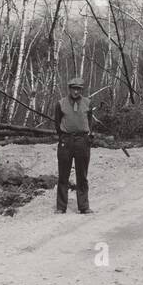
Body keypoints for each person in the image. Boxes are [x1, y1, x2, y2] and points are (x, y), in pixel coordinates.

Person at [53, 76, 93, 213]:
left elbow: (89, 121)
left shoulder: (88, 103)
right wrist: (64, 137)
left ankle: (84, 207)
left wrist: (87, 137)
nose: (76, 92)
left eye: (79, 89)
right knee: (63, 175)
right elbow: (57, 123)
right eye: (74, 89)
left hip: (82, 142)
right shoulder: (61, 103)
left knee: (82, 176)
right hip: (66, 141)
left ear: (81, 90)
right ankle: (61, 207)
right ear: (69, 89)